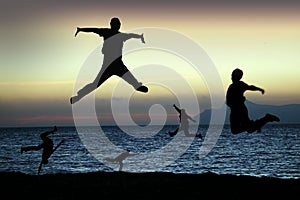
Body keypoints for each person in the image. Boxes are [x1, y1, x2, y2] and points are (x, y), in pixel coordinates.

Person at [70, 17, 148, 104]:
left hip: (118, 64)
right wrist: (81, 29)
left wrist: (140, 36)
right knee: (95, 84)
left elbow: (131, 35)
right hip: (108, 65)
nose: (117, 26)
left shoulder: (121, 36)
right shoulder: (107, 32)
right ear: (112, 25)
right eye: (115, 24)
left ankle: (137, 86)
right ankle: (78, 97)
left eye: (118, 24)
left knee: (129, 78)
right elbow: (93, 30)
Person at [226, 68, 280, 134]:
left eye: (233, 75)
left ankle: (265, 119)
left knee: (240, 130)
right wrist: (259, 89)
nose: (231, 77)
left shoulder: (239, 85)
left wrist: (259, 89)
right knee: (245, 129)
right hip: (236, 110)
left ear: (236, 76)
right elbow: (250, 87)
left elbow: (251, 87)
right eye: (231, 75)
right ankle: (260, 122)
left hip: (239, 110)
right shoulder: (234, 85)